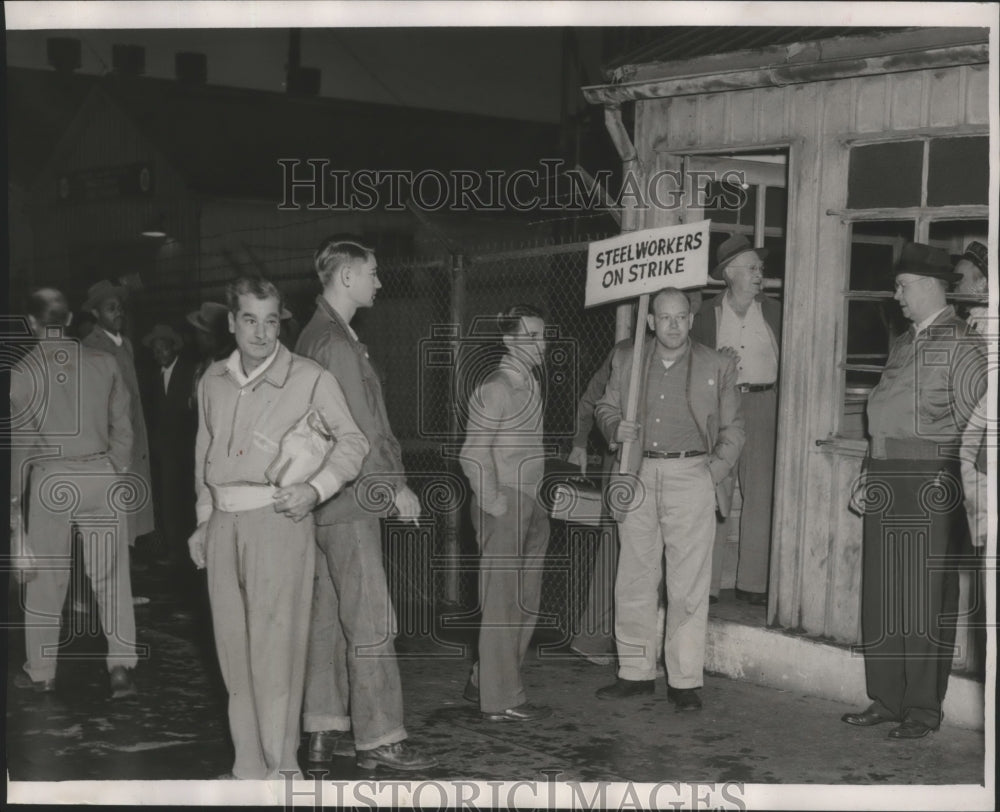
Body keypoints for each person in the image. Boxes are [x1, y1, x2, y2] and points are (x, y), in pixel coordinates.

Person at [188, 276, 369, 779]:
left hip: (278, 522)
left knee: (277, 653)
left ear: (280, 322)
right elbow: (204, 456)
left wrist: (316, 489)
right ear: (232, 322)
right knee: (234, 657)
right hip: (225, 525)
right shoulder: (213, 380)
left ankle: (283, 769)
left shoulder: (309, 378)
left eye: (271, 321)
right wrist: (204, 523)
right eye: (250, 319)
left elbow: (353, 442)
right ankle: (249, 770)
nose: (261, 333)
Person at [296, 238, 437, 771]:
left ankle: (321, 732)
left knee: (329, 620)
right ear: (347, 277)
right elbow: (358, 425)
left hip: (326, 502)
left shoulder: (320, 335)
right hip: (353, 499)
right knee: (371, 619)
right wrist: (392, 486)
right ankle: (380, 737)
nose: (379, 282)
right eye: (373, 273)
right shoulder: (334, 342)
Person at [843, 242, 987, 739]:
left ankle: (923, 710)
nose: (897, 295)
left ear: (928, 286)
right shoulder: (905, 341)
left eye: (902, 287)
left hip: (933, 483)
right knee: (886, 594)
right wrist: (868, 470)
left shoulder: (962, 344)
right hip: (886, 475)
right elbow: (882, 412)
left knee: (924, 599)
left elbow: (980, 429)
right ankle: (887, 697)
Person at [594, 287, 744, 710]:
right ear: (650, 322)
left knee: (687, 585)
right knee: (635, 578)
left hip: (691, 474)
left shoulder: (717, 364)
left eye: (681, 317)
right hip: (637, 473)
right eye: (665, 318)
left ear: (691, 320)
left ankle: (683, 681)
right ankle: (635, 673)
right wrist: (614, 427)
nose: (674, 325)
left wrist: (709, 473)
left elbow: (734, 430)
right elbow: (605, 407)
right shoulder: (627, 360)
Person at [10, 288, 139, 698]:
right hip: (102, 474)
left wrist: (15, 506)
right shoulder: (104, 362)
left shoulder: (24, 372)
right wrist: (114, 466)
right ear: (68, 320)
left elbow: (19, 447)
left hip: (51, 481)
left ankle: (42, 671)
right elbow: (124, 425)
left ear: (31, 323)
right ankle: (121, 667)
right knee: (112, 577)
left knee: (45, 581)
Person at [458, 304, 553, 723]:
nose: (541, 343)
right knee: (501, 604)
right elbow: (472, 454)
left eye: (543, 335)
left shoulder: (528, 383)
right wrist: (495, 502)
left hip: (531, 504)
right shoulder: (497, 386)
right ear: (509, 340)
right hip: (506, 504)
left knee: (525, 603)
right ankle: (499, 699)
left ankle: (486, 679)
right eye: (531, 335)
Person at [691, 234, 781, 607]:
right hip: (722, 408)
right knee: (715, 491)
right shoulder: (705, 314)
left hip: (764, 404)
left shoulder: (775, 311)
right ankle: (707, 583)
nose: (761, 273)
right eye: (753, 268)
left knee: (761, 494)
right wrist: (716, 361)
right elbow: (692, 369)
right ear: (730, 273)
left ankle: (753, 583)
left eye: (760, 268)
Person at [81, 279, 154, 545]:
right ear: (96, 313)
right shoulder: (92, 347)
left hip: (133, 435)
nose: (118, 312)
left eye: (120, 307)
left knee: (130, 502)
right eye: (111, 308)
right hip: (112, 441)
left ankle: (127, 556)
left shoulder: (126, 344)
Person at [142, 324, 198, 572]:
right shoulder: (153, 377)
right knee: (170, 504)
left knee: (189, 502)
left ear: (173, 347)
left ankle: (192, 554)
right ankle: (176, 553)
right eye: (155, 351)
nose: (159, 355)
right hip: (165, 454)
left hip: (188, 451)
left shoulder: (191, 372)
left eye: (163, 349)